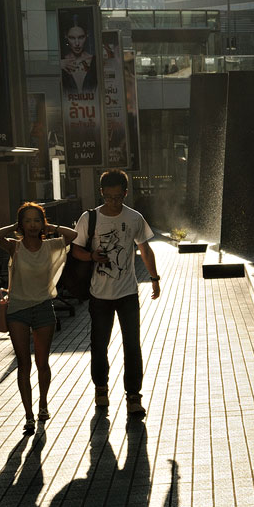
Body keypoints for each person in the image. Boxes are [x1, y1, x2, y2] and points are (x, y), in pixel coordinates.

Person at [70, 169, 161, 416]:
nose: (113, 202)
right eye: (108, 197)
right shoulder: (89, 218)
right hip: (99, 295)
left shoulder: (134, 218)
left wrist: (154, 279)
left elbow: (145, 249)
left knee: (132, 345)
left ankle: (133, 396)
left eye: (118, 197)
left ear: (125, 193)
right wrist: (91, 256)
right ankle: (101, 388)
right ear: (101, 193)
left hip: (128, 293)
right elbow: (75, 249)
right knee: (99, 345)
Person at [0, 202, 78, 433]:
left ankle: (42, 404)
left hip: (43, 307)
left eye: (36, 220)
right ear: (22, 224)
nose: (32, 225)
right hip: (18, 310)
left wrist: (51, 227)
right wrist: (13, 226)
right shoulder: (15, 247)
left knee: (42, 363)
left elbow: (73, 234)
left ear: (43, 223)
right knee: (24, 363)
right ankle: (28, 415)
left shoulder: (50, 246)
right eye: (27, 220)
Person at [60, 17, 97, 94]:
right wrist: (58, 66)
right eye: (72, 38)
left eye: (81, 37)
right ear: (66, 36)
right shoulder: (62, 63)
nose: (77, 43)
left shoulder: (95, 61)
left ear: (86, 36)